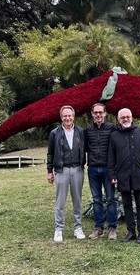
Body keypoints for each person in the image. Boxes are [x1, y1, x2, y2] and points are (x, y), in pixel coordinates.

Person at [108, 108, 140, 244]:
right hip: (122, 175)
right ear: (118, 119)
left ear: (132, 117)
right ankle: (131, 232)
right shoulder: (114, 135)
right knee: (127, 204)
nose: (125, 119)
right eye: (122, 117)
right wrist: (112, 174)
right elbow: (111, 158)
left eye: (128, 116)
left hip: (138, 173)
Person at [47, 105, 86, 243]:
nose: (67, 118)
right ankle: (58, 229)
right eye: (65, 116)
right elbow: (50, 153)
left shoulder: (80, 131)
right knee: (60, 201)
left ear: (73, 116)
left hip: (77, 170)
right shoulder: (54, 133)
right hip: (61, 170)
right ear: (61, 117)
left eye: (69, 115)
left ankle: (78, 227)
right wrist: (49, 172)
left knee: (77, 200)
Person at [85, 103, 118, 240]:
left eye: (100, 112)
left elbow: (116, 147)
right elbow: (86, 147)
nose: (98, 115)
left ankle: (112, 228)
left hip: (107, 168)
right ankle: (98, 228)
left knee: (111, 199)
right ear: (92, 114)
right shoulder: (87, 130)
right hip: (93, 168)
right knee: (96, 199)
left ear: (105, 113)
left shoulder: (112, 128)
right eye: (95, 113)